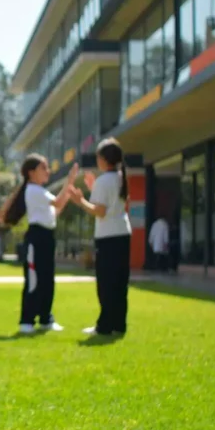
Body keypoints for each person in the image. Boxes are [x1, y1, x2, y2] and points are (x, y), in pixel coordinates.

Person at [0, 156, 77, 334]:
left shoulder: (40, 192)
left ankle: (46, 318)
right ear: (31, 173)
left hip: (47, 237)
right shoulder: (34, 190)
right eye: (43, 168)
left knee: (47, 280)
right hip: (36, 238)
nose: (47, 171)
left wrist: (68, 191)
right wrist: (69, 181)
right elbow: (57, 201)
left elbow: (55, 211)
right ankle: (27, 321)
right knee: (34, 280)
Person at [70, 138, 132, 336]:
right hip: (123, 233)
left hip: (107, 236)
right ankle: (119, 324)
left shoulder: (104, 180)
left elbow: (100, 211)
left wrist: (81, 201)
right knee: (120, 282)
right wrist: (92, 189)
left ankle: (104, 326)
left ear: (104, 159)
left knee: (106, 283)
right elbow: (113, 203)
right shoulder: (121, 177)